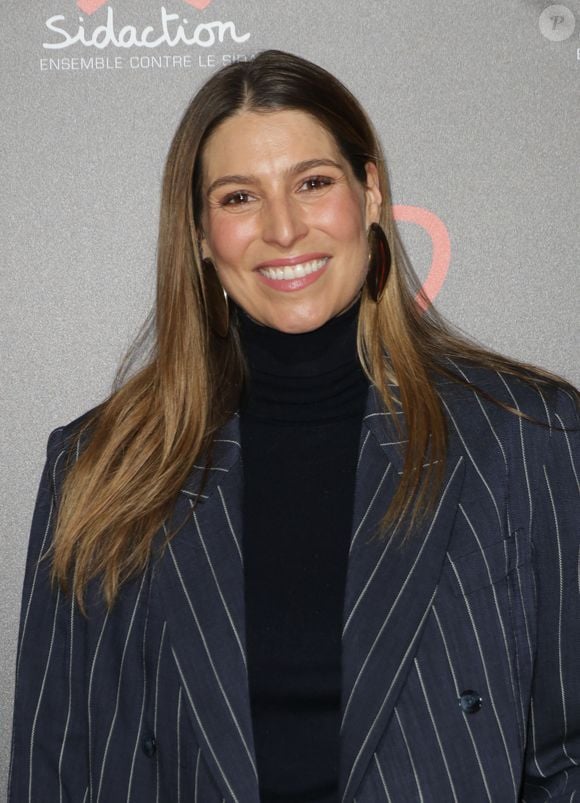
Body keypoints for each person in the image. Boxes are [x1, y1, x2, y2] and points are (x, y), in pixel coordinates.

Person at [8, 49, 579, 803]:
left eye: (313, 183)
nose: (283, 228)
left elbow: (568, 755)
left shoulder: (527, 436)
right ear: (201, 233)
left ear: (369, 193)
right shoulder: (97, 463)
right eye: (239, 197)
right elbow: (58, 770)